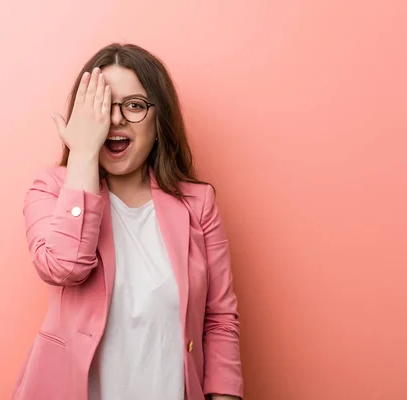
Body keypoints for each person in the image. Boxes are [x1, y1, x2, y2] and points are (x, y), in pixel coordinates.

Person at [12, 43, 243, 400]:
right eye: (103, 105)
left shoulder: (199, 204)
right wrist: (84, 157)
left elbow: (220, 319)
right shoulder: (52, 190)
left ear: (158, 118)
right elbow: (64, 267)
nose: (116, 119)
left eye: (134, 105)